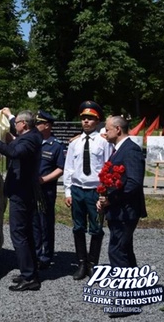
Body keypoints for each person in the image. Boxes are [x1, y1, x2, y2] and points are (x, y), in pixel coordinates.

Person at [0, 110, 43, 291]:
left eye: (16, 122)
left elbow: (14, 152)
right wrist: (9, 116)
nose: (14, 125)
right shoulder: (32, 134)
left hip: (22, 193)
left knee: (19, 234)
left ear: (24, 124)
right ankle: (30, 271)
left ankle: (29, 277)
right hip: (24, 191)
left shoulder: (30, 139)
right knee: (26, 234)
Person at [97, 116, 147, 317]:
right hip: (119, 209)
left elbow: (134, 182)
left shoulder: (131, 151)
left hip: (126, 210)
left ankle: (127, 301)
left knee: (116, 251)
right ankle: (134, 292)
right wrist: (104, 195)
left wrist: (111, 198)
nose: (104, 133)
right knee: (125, 250)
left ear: (118, 129)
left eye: (107, 129)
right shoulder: (120, 150)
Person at [63, 101, 113, 280]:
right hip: (77, 189)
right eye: (83, 118)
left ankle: (93, 264)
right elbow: (69, 168)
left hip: (95, 190)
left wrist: (104, 193)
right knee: (78, 228)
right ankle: (81, 263)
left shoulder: (103, 142)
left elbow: (108, 168)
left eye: (90, 118)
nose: (86, 121)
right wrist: (68, 191)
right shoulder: (74, 143)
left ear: (97, 121)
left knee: (97, 228)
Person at [33, 111, 65, 270]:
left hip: (46, 190)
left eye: (39, 123)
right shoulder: (34, 141)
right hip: (32, 189)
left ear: (47, 125)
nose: (36, 125)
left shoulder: (56, 145)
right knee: (34, 223)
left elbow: (61, 168)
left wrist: (44, 179)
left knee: (45, 223)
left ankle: (46, 255)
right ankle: (36, 253)